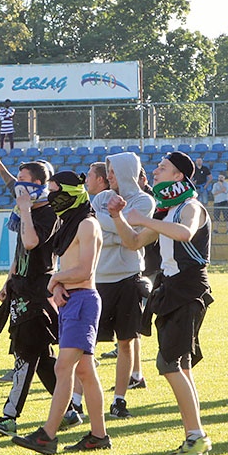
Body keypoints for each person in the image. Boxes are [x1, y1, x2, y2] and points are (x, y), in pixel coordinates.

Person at [108, 152, 213, 455]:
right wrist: (118, 217)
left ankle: (196, 436)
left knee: (169, 364)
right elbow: (134, 243)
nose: (154, 171)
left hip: (188, 290)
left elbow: (185, 233)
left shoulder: (190, 206)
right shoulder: (166, 211)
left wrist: (141, 218)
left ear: (179, 176)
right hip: (170, 290)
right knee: (181, 365)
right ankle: (195, 435)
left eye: (162, 168)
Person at [11, 171, 111, 455]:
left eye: (55, 191)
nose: (51, 196)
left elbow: (85, 270)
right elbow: (67, 269)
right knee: (85, 372)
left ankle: (47, 435)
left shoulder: (88, 224)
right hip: (70, 301)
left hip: (83, 301)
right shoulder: (69, 224)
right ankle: (98, 436)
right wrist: (57, 288)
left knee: (62, 367)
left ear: (70, 192)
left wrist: (54, 281)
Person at [0, 158, 61, 437]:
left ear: (38, 185)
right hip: (21, 289)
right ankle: (71, 409)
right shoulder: (26, 210)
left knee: (25, 356)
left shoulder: (48, 214)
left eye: (23, 181)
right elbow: (21, 253)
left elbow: (31, 242)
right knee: (40, 356)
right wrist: (8, 280)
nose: (18, 187)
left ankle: (9, 415)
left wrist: (26, 210)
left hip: (38, 295)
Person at [90, 152, 155, 420]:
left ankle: (119, 400)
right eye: (108, 171)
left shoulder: (144, 200)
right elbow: (109, 227)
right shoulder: (101, 198)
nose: (110, 176)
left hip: (128, 278)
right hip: (99, 279)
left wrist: (115, 228)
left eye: (114, 171)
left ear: (127, 171)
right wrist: (121, 227)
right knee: (87, 346)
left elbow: (133, 237)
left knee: (126, 342)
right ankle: (77, 402)